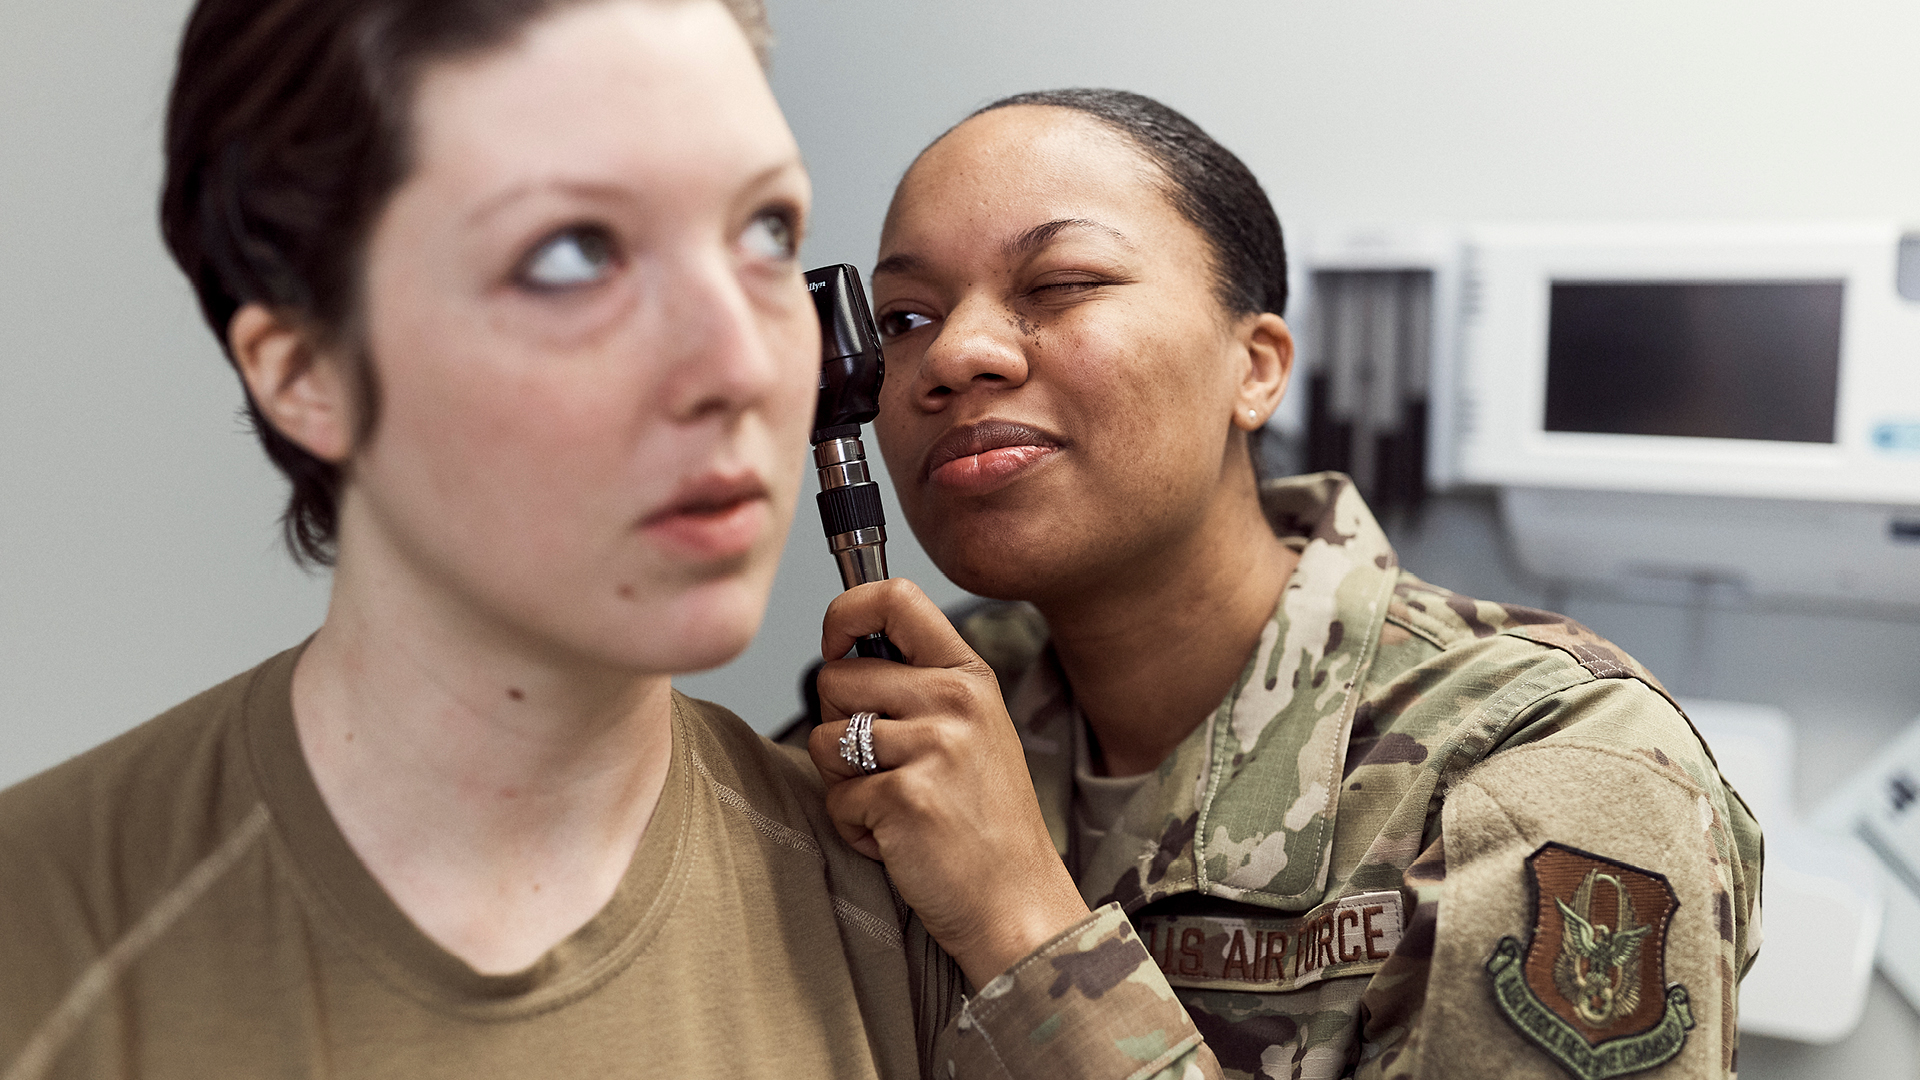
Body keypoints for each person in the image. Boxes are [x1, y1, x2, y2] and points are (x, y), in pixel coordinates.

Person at [0, 9, 1208, 1079]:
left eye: (764, 234)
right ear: (307, 371)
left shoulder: (911, 902)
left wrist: (1020, 926)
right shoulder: (45, 935)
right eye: (574, 253)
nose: (743, 360)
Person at [792, 89, 1764, 1080]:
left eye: (1061, 283)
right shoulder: (904, 720)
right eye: (905, 318)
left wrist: (1017, 917)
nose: (952, 355)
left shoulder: (1552, 764)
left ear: (1255, 368)